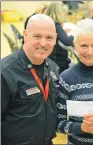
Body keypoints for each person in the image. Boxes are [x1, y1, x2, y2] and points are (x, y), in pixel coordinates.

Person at [1, 14, 59, 145]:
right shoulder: (5, 73)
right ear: (25, 35)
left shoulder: (53, 69)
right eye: (37, 36)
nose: (43, 43)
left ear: (55, 39)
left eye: (49, 37)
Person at [45, 2, 74, 73]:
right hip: (58, 63)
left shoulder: (47, 23)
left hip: (49, 60)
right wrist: (73, 35)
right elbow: (67, 41)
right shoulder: (56, 25)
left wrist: (62, 32)